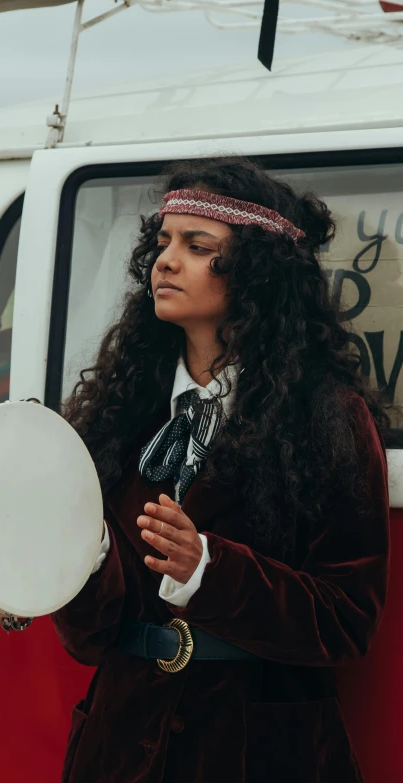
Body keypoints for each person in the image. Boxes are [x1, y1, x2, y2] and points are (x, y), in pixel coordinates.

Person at [51, 157, 394, 783]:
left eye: (197, 246)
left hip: (257, 750)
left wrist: (208, 571)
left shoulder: (329, 418)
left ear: (257, 271)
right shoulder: (119, 412)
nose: (166, 260)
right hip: (121, 747)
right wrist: (85, 556)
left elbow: (347, 621)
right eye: (163, 242)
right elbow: (88, 640)